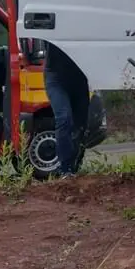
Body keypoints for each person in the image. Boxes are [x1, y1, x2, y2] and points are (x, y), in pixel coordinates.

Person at [43, 43, 89, 177]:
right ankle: (65, 168)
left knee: (81, 125)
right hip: (56, 76)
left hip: (80, 77)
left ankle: (74, 165)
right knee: (64, 118)